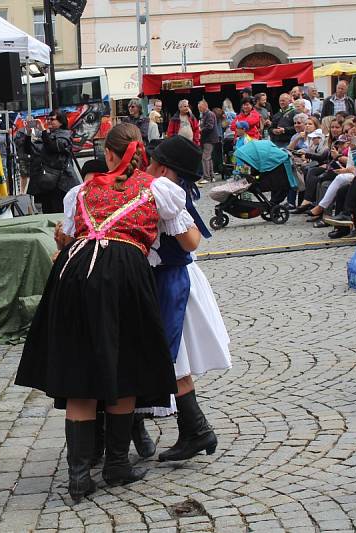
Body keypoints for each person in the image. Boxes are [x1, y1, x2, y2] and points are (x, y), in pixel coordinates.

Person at [16, 123, 178, 502]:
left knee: (79, 369)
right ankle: (117, 466)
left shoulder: (83, 189)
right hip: (123, 273)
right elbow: (182, 234)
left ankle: (78, 476)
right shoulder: (156, 188)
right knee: (123, 366)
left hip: (74, 272)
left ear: (108, 154)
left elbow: (72, 233)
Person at [140, 136, 231, 462]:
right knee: (171, 360)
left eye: (152, 162)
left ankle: (196, 430)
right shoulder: (170, 192)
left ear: (163, 168)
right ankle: (194, 429)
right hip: (170, 278)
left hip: (173, 280)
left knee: (171, 358)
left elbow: (191, 241)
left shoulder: (166, 195)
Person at [27, 109, 79, 214]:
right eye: (48, 119)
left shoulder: (65, 135)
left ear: (61, 121)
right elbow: (29, 150)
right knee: (47, 214)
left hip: (61, 184)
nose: (49, 121)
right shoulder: (47, 135)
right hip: (46, 183)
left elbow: (53, 147)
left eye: (52, 119)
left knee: (59, 214)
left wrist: (43, 131)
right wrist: (28, 135)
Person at [198, 100, 218, 182]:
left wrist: (200, 130)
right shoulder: (204, 115)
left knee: (205, 158)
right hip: (208, 139)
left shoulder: (209, 114)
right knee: (208, 158)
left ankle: (207, 177)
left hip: (209, 139)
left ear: (205, 106)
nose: (199, 109)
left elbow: (210, 126)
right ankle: (211, 176)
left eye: (200, 107)